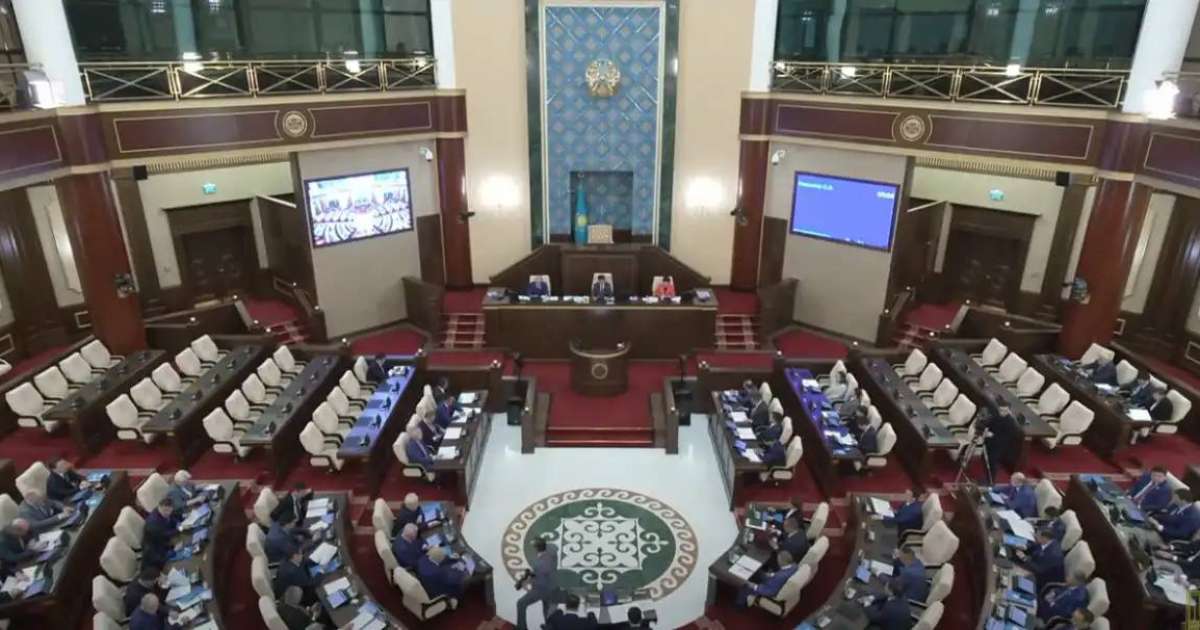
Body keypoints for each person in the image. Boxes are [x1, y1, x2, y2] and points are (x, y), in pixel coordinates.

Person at [516, 537, 559, 630]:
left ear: (536, 548)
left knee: (521, 603)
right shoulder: (552, 552)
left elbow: (537, 580)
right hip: (553, 587)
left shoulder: (539, 564)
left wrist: (526, 581)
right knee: (547, 612)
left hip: (542, 589)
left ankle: (521, 628)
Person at [980, 402, 1021, 483]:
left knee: (992, 462)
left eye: (1004, 410)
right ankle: (986, 476)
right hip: (989, 442)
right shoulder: (997, 415)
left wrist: (992, 436)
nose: (1001, 412)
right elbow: (990, 423)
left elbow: (1005, 438)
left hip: (998, 446)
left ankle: (991, 481)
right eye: (1000, 410)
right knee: (984, 458)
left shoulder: (1010, 423)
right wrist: (986, 429)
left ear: (1009, 410)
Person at [142, 499, 179, 569]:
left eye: (170, 511)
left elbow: (171, 519)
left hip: (164, 546)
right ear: (159, 507)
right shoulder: (153, 525)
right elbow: (158, 557)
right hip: (155, 563)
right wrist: (173, 551)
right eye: (166, 511)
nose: (168, 513)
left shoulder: (162, 511)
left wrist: (179, 525)